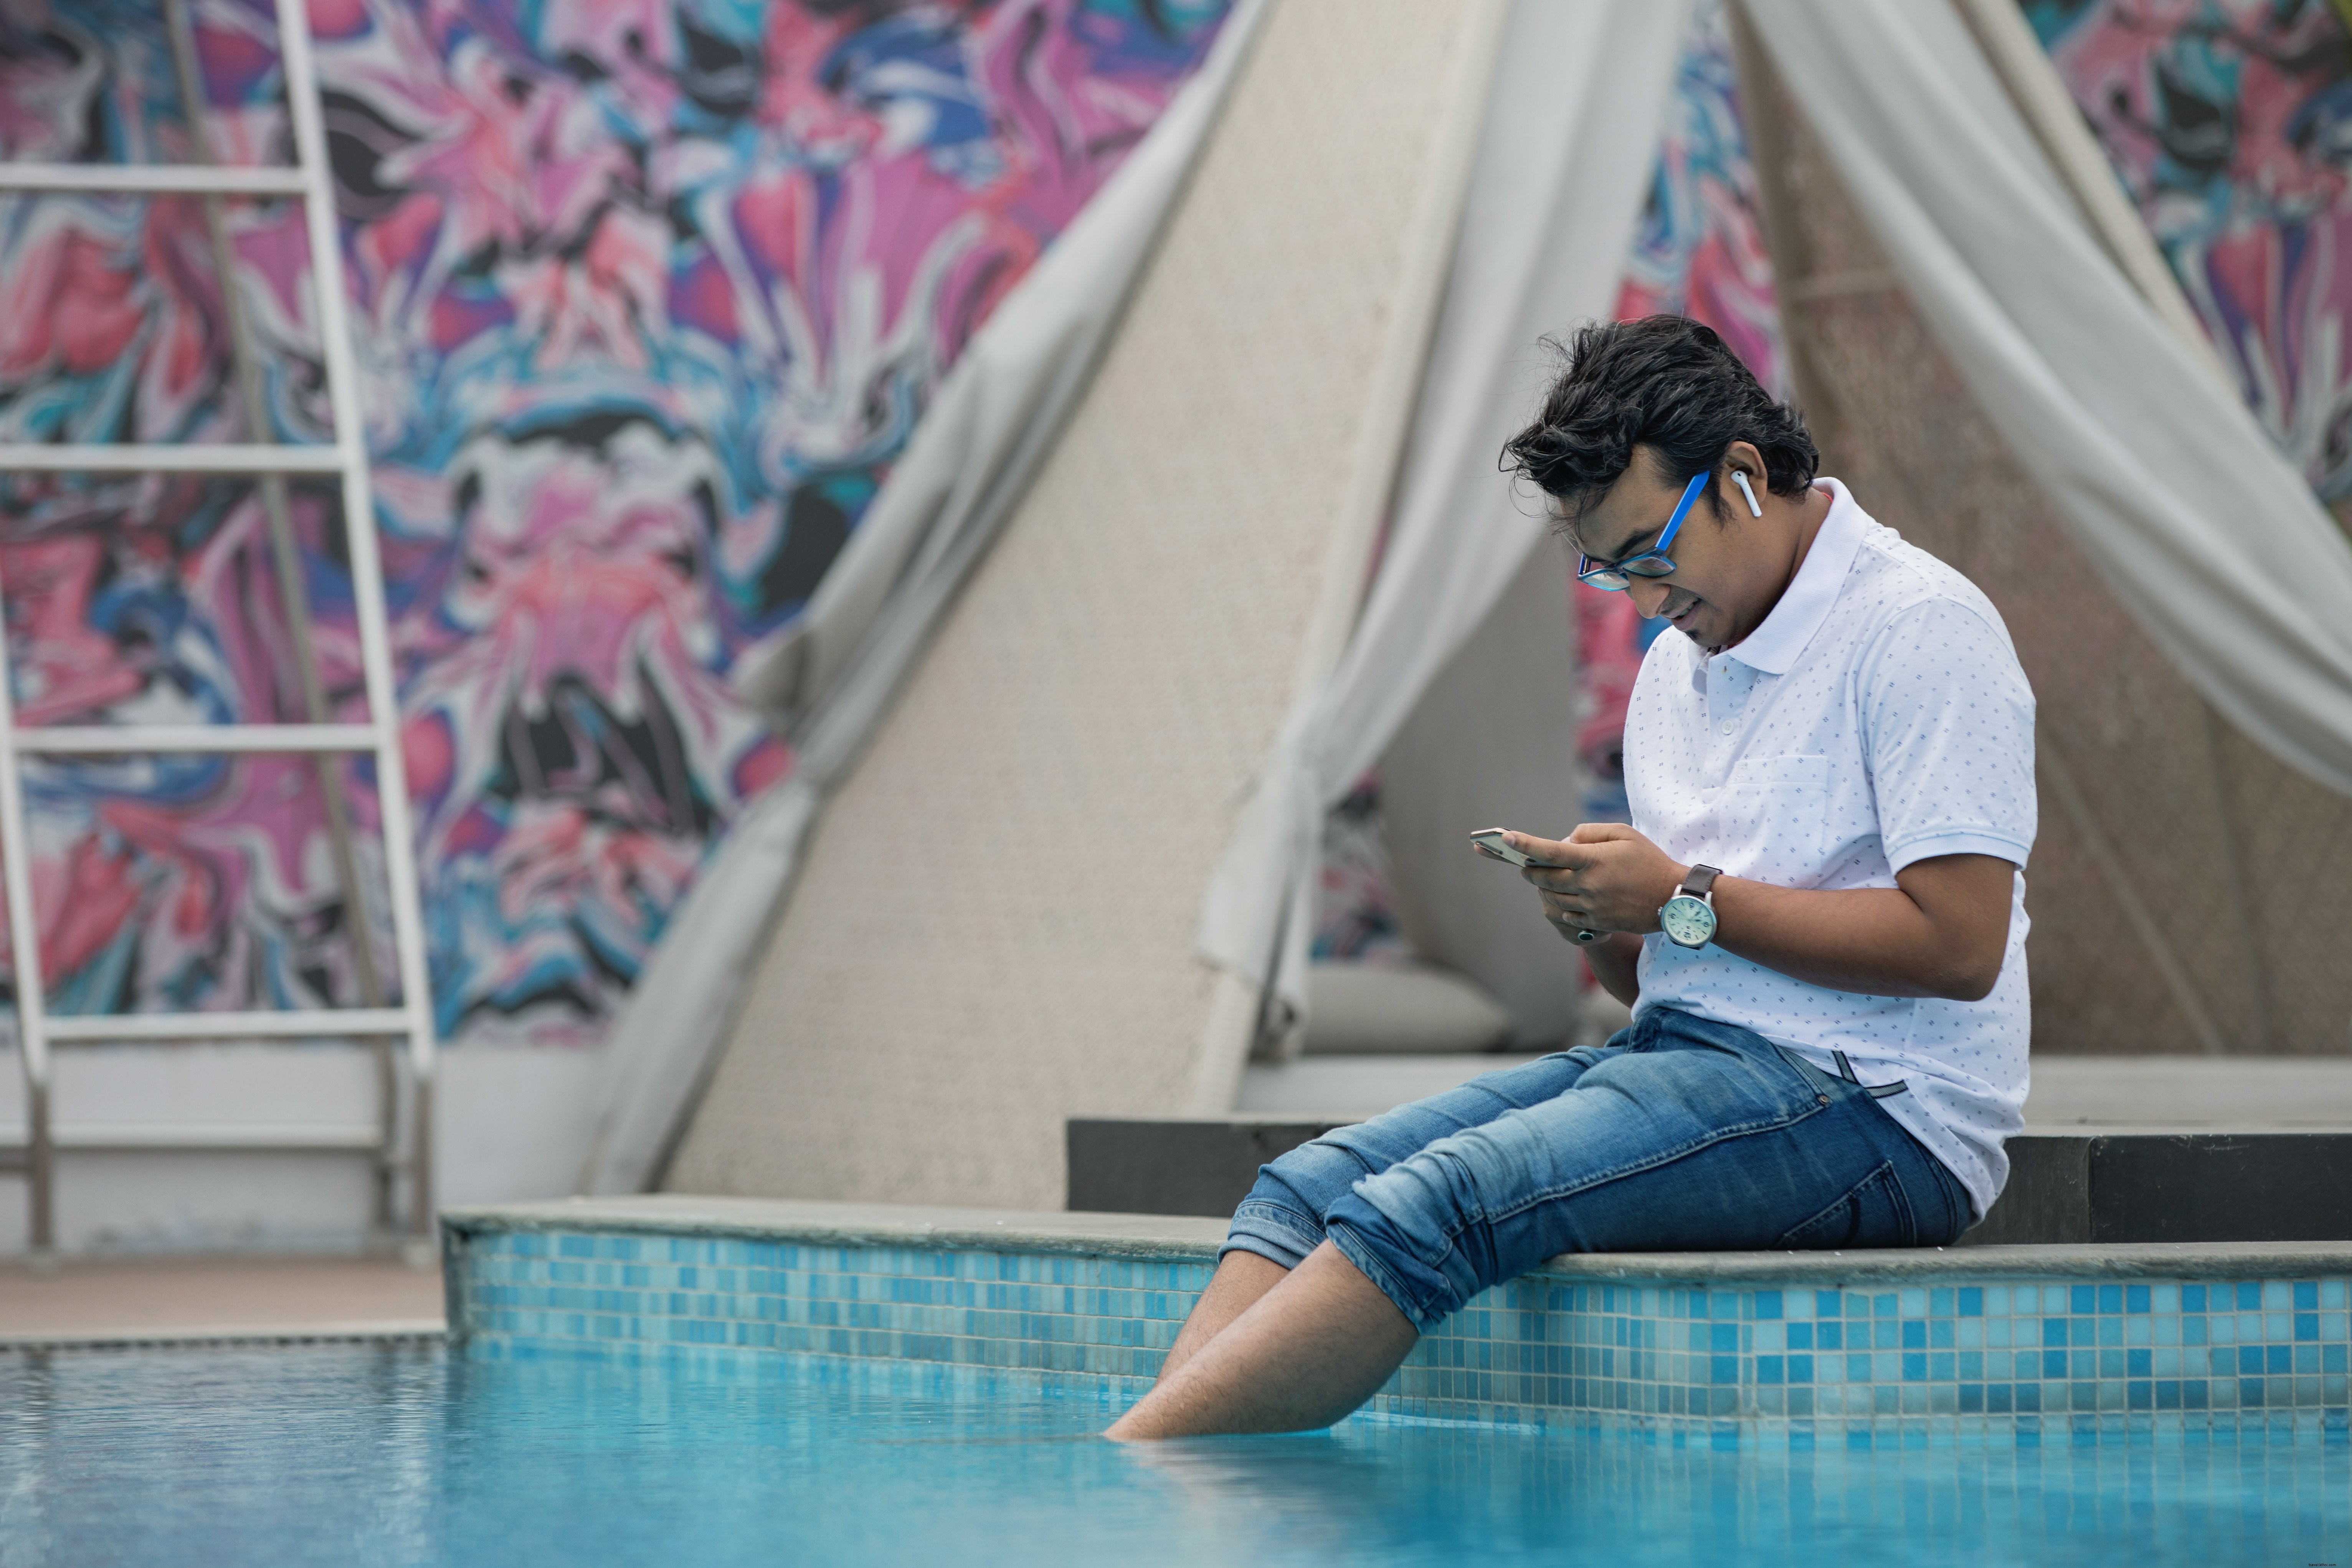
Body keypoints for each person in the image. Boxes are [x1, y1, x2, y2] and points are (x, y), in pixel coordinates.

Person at [1106, 315, 2037, 1442]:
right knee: (1303, 1190)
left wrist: (1683, 897)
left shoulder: (1921, 631)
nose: (1642, 602)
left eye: (1652, 554)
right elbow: (1668, 985)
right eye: (1609, 570)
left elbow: (1959, 947)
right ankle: (1161, 1488)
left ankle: (1139, 1480)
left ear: (1741, 478)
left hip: (1883, 1111)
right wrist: (1605, 925)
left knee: (1438, 1207)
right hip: (1698, 1063)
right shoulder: (1679, 673)